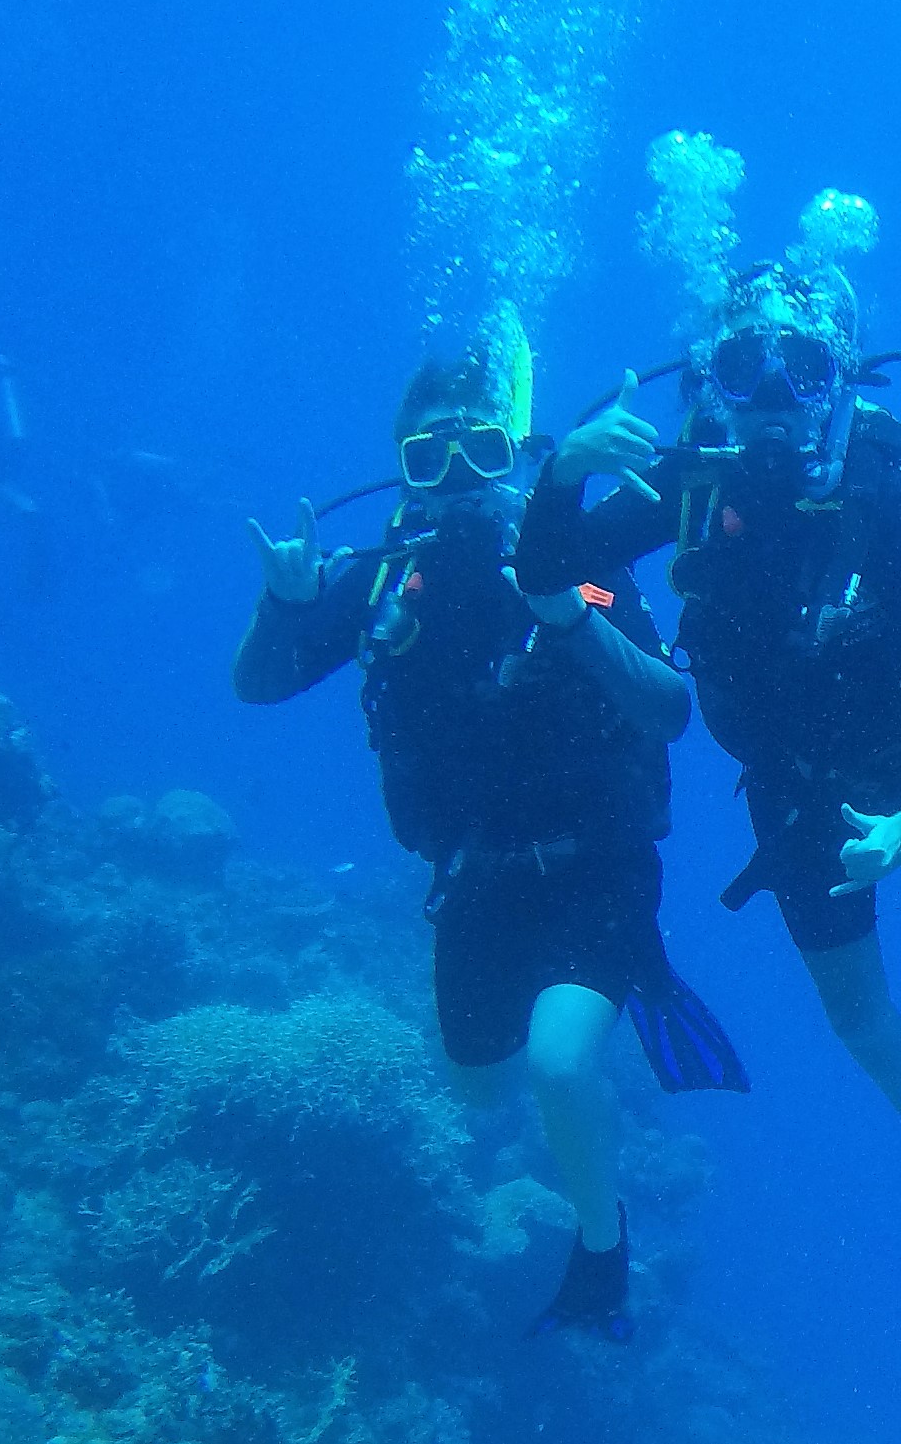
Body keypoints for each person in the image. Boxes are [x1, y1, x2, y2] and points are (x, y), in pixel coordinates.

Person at [235, 338, 723, 1343]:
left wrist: (568, 620)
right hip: (471, 881)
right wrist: (281, 608)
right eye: (429, 462)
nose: (458, 483)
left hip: (597, 865)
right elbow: (262, 681)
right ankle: (582, 1081)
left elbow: (673, 708)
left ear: (521, 456)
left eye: (482, 454)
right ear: (402, 470)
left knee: (555, 1066)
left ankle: (602, 1243)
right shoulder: (384, 585)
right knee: (475, 1091)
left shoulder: (570, 555)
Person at [586, 254, 901, 1231]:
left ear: (842, 374)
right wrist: (566, 480)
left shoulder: (886, 486)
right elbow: (557, 565)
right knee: (853, 1010)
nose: (772, 397)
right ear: (709, 380)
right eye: (742, 369)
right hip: (794, 789)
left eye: (803, 368)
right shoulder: (687, 488)